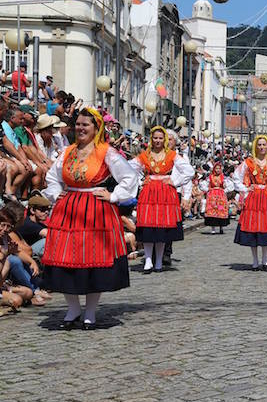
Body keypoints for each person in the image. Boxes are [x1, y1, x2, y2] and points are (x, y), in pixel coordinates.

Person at [41, 107, 138, 330]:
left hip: (96, 210)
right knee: (65, 259)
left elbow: (129, 177)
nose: (80, 128)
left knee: (94, 262)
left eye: (86, 125)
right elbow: (52, 176)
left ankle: (90, 312)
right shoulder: (68, 152)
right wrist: (56, 194)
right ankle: (73, 308)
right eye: (78, 124)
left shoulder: (106, 152)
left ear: (96, 128)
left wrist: (113, 195)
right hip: (68, 210)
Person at [129, 126, 194, 273]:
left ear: (164, 140)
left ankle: (158, 261)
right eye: (155, 138)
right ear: (151, 139)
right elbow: (128, 169)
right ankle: (148, 260)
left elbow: (189, 171)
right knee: (147, 226)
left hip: (165, 194)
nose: (158, 141)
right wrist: (140, 181)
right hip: (149, 193)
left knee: (161, 228)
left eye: (160, 138)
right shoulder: (145, 155)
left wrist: (174, 181)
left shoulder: (171, 155)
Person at [232, 135, 267, 271]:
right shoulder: (249, 162)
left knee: (265, 228)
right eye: (259, 145)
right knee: (253, 227)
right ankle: (255, 260)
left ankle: (265, 259)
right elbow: (236, 177)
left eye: (264, 145)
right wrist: (245, 188)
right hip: (253, 198)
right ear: (255, 147)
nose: (262, 147)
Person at [203, 162, 231, 234]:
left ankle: (221, 227)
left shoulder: (223, 177)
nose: (218, 170)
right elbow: (205, 184)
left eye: (219, 168)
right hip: (212, 194)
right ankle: (213, 229)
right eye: (216, 168)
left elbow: (228, 185)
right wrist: (208, 190)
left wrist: (225, 188)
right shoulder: (210, 177)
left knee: (220, 210)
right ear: (214, 169)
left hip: (221, 194)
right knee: (212, 210)